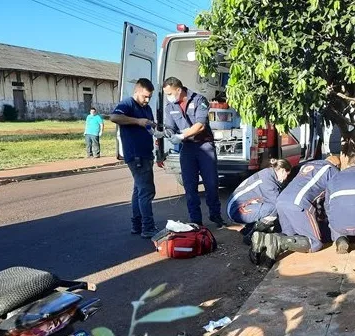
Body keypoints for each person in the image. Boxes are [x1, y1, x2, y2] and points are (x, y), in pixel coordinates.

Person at [249, 156, 341, 267]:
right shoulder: (333, 171)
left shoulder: (308, 165)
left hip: (282, 201)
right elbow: (329, 202)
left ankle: (262, 239)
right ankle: (279, 242)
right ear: (337, 165)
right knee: (314, 243)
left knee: (289, 235)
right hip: (299, 203)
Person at [161, 77, 227, 227]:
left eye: (169, 93)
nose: (168, 97)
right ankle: (195, 220)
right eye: (166, 94)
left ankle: (216, 216)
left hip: (204, 146)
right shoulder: (170, 107)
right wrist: (170, 134)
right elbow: (170, 126)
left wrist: (182, 135)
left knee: (211, 184)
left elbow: (201, 125)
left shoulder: (199, 100)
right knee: (190, 186)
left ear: (179, 89)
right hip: (188, 149)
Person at [109, 78, 158, 238]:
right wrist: (138, 121)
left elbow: (148, 126)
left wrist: (153, 127)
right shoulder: (127, 104)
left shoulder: (147, 108)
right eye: (144, 96)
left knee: (138, 190)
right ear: (136, 92)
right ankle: (148, 228)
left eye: (149, 97)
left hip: (146, 153)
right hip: (136, 155)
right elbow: (114, 117)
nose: (147, 100)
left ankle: (137, 225)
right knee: (146, 191)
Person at [227, 159, 292, 243]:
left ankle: (250, 229)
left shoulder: (268, 174)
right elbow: (279, 205)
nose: (286, 178)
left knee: (269, 207)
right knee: (274, 208)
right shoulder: (268, 182)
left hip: (238, 206)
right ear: (283, 171)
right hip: (237, 210)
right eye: (287, 174)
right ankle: (252, 236)